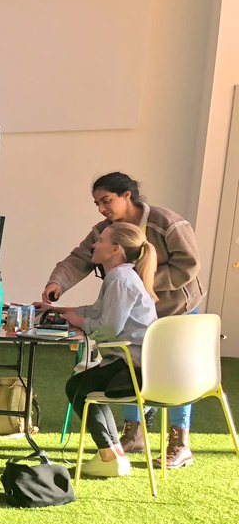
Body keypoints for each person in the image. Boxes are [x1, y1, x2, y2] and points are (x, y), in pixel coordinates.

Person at [42, 172, 205, 469]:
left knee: (174, 374)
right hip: (139, 310)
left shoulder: (167, 222)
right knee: (128, 366)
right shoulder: (105, 231)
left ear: (127, 195)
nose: (101, 209)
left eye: (106, 201)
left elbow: (188, 265)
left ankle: (179, 443)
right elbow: (78, 258)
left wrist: (140, 282)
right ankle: (133, 434)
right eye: (97, 203)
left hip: (177, 310)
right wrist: (57, 283)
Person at [43, 222, 158, 477]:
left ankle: (109, 455)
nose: (94, 245)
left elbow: (109, 327)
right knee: (87, 388)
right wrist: (60, 311)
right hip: (136, 363)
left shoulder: (120, 280)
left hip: (132, 367)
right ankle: (113, 455)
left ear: (116, 249)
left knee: (77, 388)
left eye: (101, 240)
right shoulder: (122, 276)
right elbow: (97, 311)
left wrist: (79, 321)